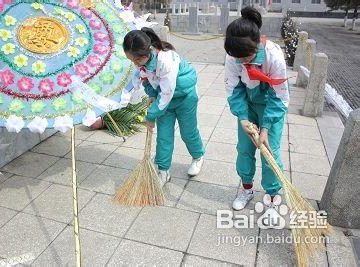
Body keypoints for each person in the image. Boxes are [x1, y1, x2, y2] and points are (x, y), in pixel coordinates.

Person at [224, 7, 289, 215]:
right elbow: (234, 89)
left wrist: (266, 127)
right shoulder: (233, 56)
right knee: (244, 148)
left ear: (257, 45)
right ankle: (247, 189)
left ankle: (271, 196)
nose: (242, 62)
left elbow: (279, 96)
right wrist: (243, 118)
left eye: (246, 57)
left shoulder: (273, 56)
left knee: (269, 150)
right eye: (238, 58)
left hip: (271, 105)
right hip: (248, 104)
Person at [123, 27, 205, 185]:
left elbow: (167, 92)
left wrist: (151, 114)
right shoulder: (141, 62)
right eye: (132, 60)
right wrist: (152, 94)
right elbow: (146, 80)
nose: (135, 64)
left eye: (136, 60)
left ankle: (198, 156)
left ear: (147, 52)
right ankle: (163, 170)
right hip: (163, 100)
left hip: (184, 97)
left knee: (188, 132)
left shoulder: (167, 60)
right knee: (164, 137)